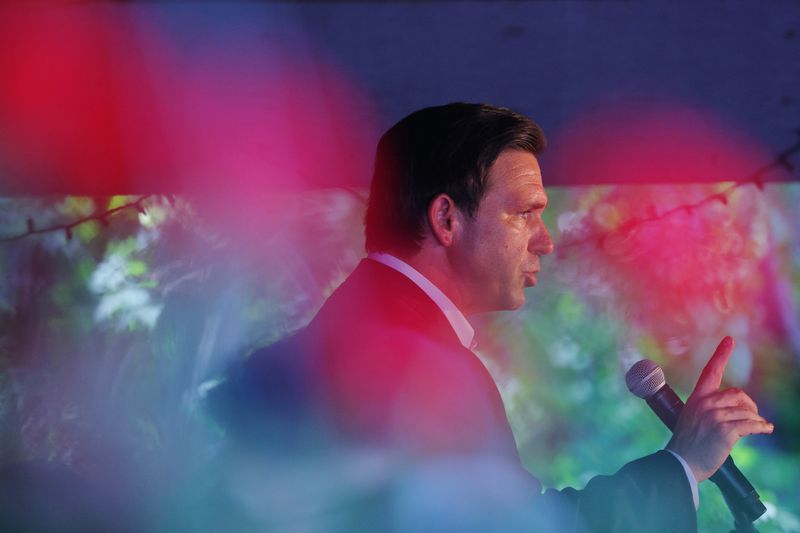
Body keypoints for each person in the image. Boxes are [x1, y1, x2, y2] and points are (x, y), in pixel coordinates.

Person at [212, 103, 773, 532]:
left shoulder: (367, 330)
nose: (546, 242)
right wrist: (681, 465)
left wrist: (683, 465)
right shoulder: (406, 357)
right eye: (525, 213)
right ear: (446, 219)